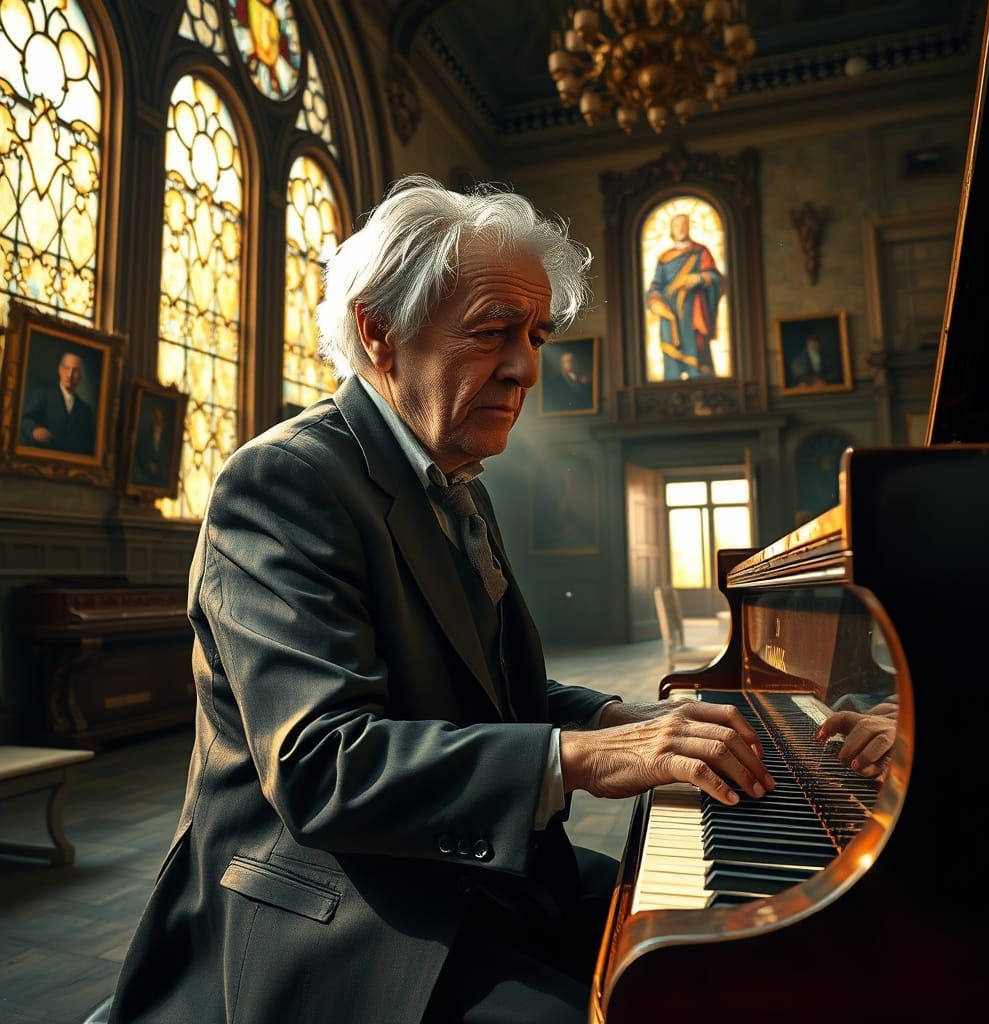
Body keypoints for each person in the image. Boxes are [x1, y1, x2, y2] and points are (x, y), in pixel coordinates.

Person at [108, 176, 773, 1024]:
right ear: (379, 333)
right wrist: (585, 760)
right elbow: (322, 765)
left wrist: (620, 719)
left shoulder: (456, 479)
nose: (527, 367)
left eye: (535, 334)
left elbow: (479, 695)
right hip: (338, 915)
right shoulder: (285, 481)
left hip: (471, 874)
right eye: (494, 332)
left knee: (722, 942)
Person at [645, 213, 724, 380]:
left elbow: (716, 278)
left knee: (697, 354)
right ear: (671, 230)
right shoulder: (664, 258)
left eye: (684, 225)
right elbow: (655, 286)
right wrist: (654, 302)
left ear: (689, 227)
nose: (680, 229)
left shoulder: (700, 252)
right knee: (672, 359)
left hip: (693, 314)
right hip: (669, 314)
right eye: (676, 225)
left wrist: (699, 278)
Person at [19, 350, 96, 455]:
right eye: (66, 368)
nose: (70, 375)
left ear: (80, 376)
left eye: (75, 371)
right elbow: (25, 421)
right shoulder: (43, 396)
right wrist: (34, 431)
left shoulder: (86, 411)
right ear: (60, 370)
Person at [131, 404, 171, 486]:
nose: (158, 418)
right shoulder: (146, 434)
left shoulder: (169, 435)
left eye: (159, 416)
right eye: (156, 416)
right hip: (146, 474)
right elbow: (141, 452)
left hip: (162, 476)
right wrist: (148, 465)